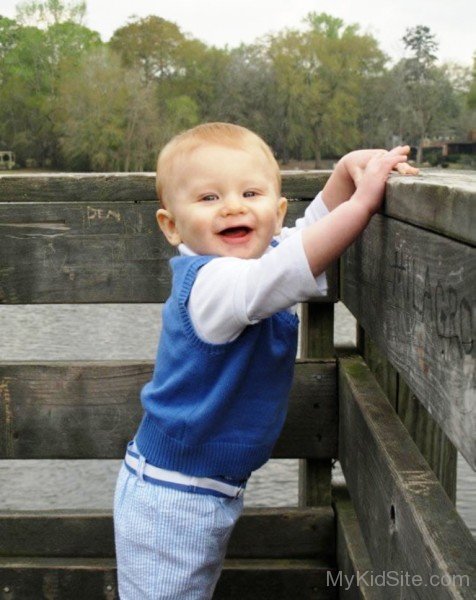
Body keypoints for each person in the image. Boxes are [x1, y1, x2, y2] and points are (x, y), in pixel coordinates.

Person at [113, 122, 418, 599]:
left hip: (204, 487)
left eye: (250, 192)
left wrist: (343, 175)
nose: (233, 205)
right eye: (208, 198)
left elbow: (305, 236)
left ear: (276, 213)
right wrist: (362, 204)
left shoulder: (256, 262)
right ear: (172, 226)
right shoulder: (213, 285)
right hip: (170, 498)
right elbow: (291, 266)